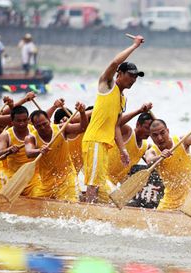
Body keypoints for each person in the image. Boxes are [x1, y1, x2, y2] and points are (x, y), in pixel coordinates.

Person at [82, 35, 144, 203]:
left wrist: (123, 150)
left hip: (105, 145)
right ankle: (88, 213)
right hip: (94, 141)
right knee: (93, 184)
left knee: (112, 197)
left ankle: (93, 212)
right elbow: (114, 63)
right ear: (120, 74)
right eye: (131, 75)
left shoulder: (123, 99)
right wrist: (134, 46)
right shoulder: (107, 85)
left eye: (136, 77)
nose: (133, 80)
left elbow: (116, 126)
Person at [144, 113, 191, 210]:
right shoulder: (152, 151)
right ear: (150, 136)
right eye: (155, 135)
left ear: (168, 131)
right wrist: (160, 157)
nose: (160, 138)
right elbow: (149, 161)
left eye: (162, 133)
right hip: (170, 201)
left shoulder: (182, 141)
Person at [25, 103, 87, 202]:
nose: (43, 128)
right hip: (46, 183)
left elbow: (82, 128)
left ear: (49, 121)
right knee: (34, 206)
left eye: (45, 124)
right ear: (34, 127)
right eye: (38, 126)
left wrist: (82, 113)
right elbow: (29, 152)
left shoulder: (62, 129)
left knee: (70, 207)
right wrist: (39, 150)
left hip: (67, 178)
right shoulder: (31, 137)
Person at [0, 106, 41, 197]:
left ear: (28, 120)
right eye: (18, 121)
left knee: (37, 196)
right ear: (12, 122)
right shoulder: (6, 135)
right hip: (13, 176)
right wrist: (9, 150)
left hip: (33, 176)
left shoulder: (35, 131)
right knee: (1, 196)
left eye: (24, 120)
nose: (22, 124)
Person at [107, 104, 153, 188]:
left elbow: (153, 159)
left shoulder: (145, 147)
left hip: (114, 183)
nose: (149, 132)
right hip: (102, 175)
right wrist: (139, 111)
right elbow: (115, 124)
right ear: (138, 124)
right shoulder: (127, 132)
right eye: (147, 128)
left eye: (151, 130)